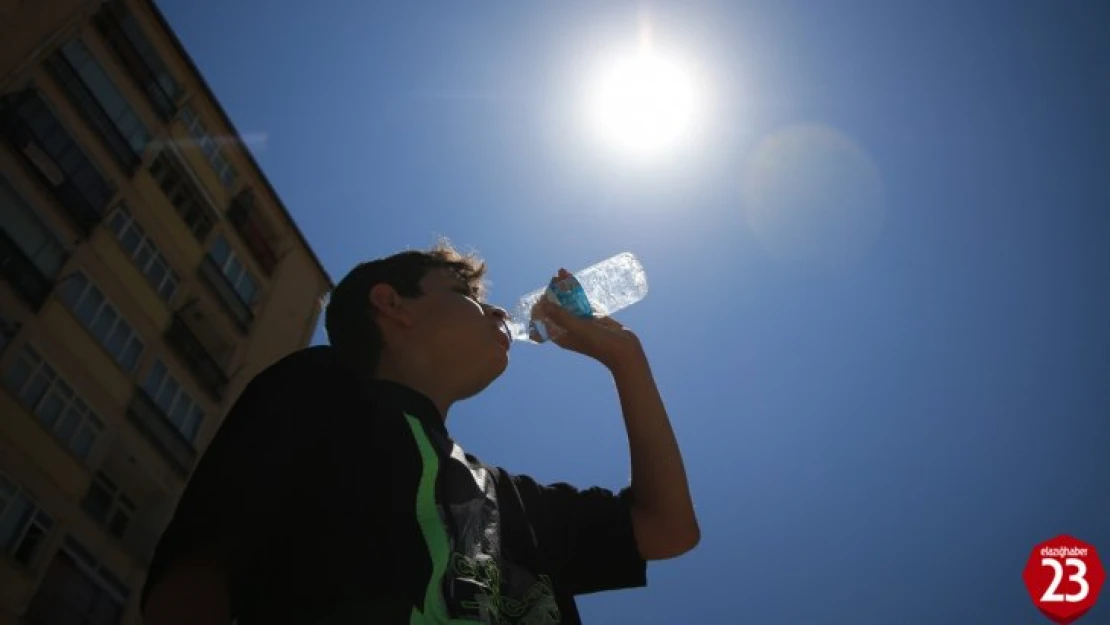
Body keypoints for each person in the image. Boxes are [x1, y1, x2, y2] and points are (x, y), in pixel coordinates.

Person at [139, 242, 699, 625]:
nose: (499, 311)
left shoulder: (506, 500)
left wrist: (626, 360)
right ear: (391, 304)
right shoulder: (325, 388)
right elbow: (199, 576)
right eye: (468, 296)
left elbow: (667, 529)